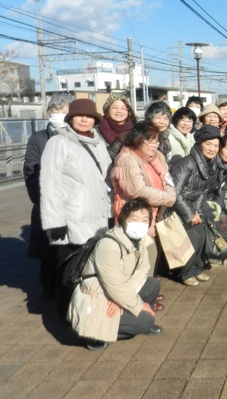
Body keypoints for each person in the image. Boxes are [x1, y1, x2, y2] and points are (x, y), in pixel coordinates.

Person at [40, 98, 112, 319]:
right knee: (68, 270)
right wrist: (55, 221)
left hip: (97, 215)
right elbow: (49, 183)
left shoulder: (98, 141)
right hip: (71, 218)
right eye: (80, 115)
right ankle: (66, 315)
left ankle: (86, 312)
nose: (85, 119)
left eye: (89, 116)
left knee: (89, 268)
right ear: (70, 118)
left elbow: (105, 179)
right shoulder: (59, 143)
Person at [67, 199, 163, 351]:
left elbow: (141, 272)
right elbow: (114, 285)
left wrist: (122, 301)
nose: (140, 224)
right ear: (123, 220)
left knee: (152, 285)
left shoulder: (141, 241)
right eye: (134, 219)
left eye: (144, 220)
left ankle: (125, 322)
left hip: (114, 292)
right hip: (97, 296)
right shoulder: (109, 245)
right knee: (146, 320)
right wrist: (138, 304)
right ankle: (94, 334)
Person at [110, 121, 176, 310]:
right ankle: (136, 300)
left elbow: (168, 179)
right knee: (135, 260)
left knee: (149, 256)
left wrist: (170, 194)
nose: (154, 144)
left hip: (153, 214)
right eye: (149, 141)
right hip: (134, 217)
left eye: (156, 140)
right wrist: (168, 198)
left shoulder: (158, 157)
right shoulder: (127, 158)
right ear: (137, 140)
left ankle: (147, 291)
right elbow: (137, 190)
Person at [24, 93, 72, 297]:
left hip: (72, 203)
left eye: (64, 111)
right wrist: (40, 199)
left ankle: (66, 285)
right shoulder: (38, 138)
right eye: (56, 111)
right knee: (49, 250)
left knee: (69, 248)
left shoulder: (77, 135)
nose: (59, 115)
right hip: (48, 204)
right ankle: (48, 288)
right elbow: (30, 171)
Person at [170, 125, 221, 286]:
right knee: (191, 238)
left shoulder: (210, 163)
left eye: (216, 145)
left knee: (201, 235)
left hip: (192, 206)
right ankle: (184, 272)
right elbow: (175, 193)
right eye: (208, 144)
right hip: (177, 208)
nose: (212, 148)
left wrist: (197, 211)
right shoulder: (186, 163)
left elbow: (202, 192)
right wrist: (190, 214)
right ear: (199, 143)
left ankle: (196, 268)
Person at [97, 93, 136, 159]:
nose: (119, 111)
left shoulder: (136, 128)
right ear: (107, 110)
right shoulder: (97, 130)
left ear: (127, 111)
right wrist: (119, 142)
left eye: (123, 108)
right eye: (115, 107)